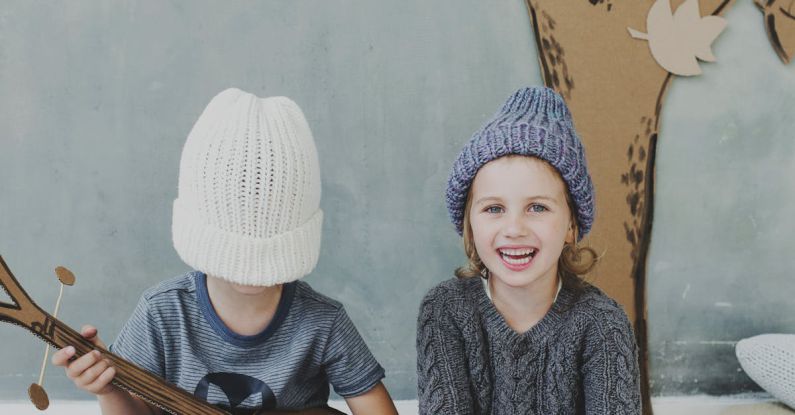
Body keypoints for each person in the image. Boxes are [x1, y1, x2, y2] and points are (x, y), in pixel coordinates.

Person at [53, 88, 398, 415]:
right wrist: (108, 389)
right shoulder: (161, 314)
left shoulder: (322, 322)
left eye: (269, 249)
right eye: (235, 249)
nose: (251, 267)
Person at [416, 86, 641, 414]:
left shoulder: (603, 323)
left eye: (537, 207)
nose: (514, 229)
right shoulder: (445, 310)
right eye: (494, 209)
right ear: (469, 225)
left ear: (571, 226)